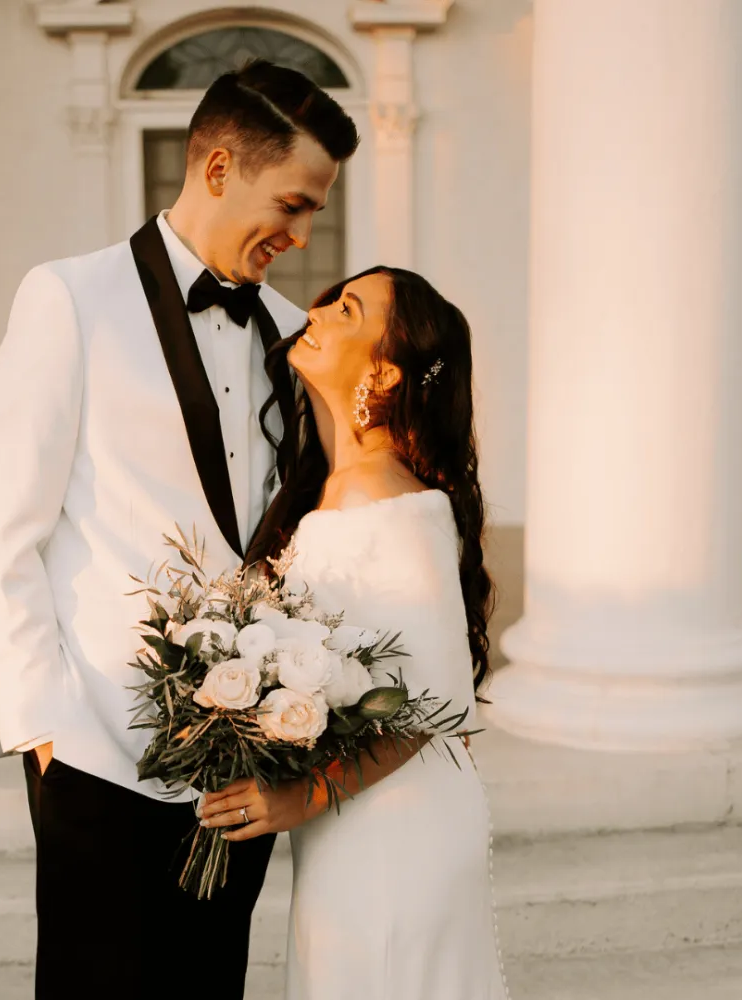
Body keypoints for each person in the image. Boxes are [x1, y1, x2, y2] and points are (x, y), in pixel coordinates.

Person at [0, 60, 359, 999]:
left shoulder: (288, 329)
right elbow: (2, 528)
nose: (302, 236)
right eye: (293, 204)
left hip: (242, 760)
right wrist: (41, 727)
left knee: (208, 981)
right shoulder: (66, 298)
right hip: (96, 748)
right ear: (219, 168)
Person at [199, 267, 512, 998]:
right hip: (357, 814)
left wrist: (296, 800)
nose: (319, 310)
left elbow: (433, 706)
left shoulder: (388, 497)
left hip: (396, 826)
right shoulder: (336, 485)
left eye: (348, 308)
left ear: (383, 369)